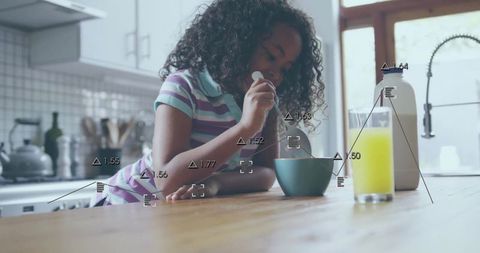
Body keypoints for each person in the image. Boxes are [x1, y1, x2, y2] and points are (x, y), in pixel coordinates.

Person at [92, 0, 325, 205]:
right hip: (127, 203)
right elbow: (166, 179)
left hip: (178, 215)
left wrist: (216, 184)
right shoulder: (184, 86)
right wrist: (245, 128)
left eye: (285, 68)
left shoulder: (265, 106)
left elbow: (266, 172)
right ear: (240, 41)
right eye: (271, 56)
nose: (275, 74)